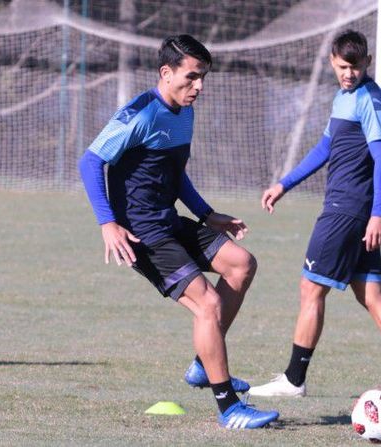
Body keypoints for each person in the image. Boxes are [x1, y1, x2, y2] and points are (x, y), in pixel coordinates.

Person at [78, 34, 279, 429]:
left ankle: (204, 367)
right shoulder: (139, 112)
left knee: (241, 264)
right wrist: (107, 223)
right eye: (191, 77)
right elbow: (90, 162)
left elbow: (174, 172)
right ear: (166, 73)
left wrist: (206, 214)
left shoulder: (185, 112)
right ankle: (230, 408)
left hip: (168, 220)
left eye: (203, 77)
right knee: (207, 304)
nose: (199, 86)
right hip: (143, 234)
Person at [249, 30, 381, 403]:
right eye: (343, 66)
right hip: (352, 209)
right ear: (333, 61)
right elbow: (326, 147)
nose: (349, 73)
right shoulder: (344, 96)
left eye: (356, 66)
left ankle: (294, 379)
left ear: (367, 63)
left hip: (346, 210)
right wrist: (285, 184)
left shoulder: (370, 100)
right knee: (371, 294)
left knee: (310, 288)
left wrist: (378, 215)